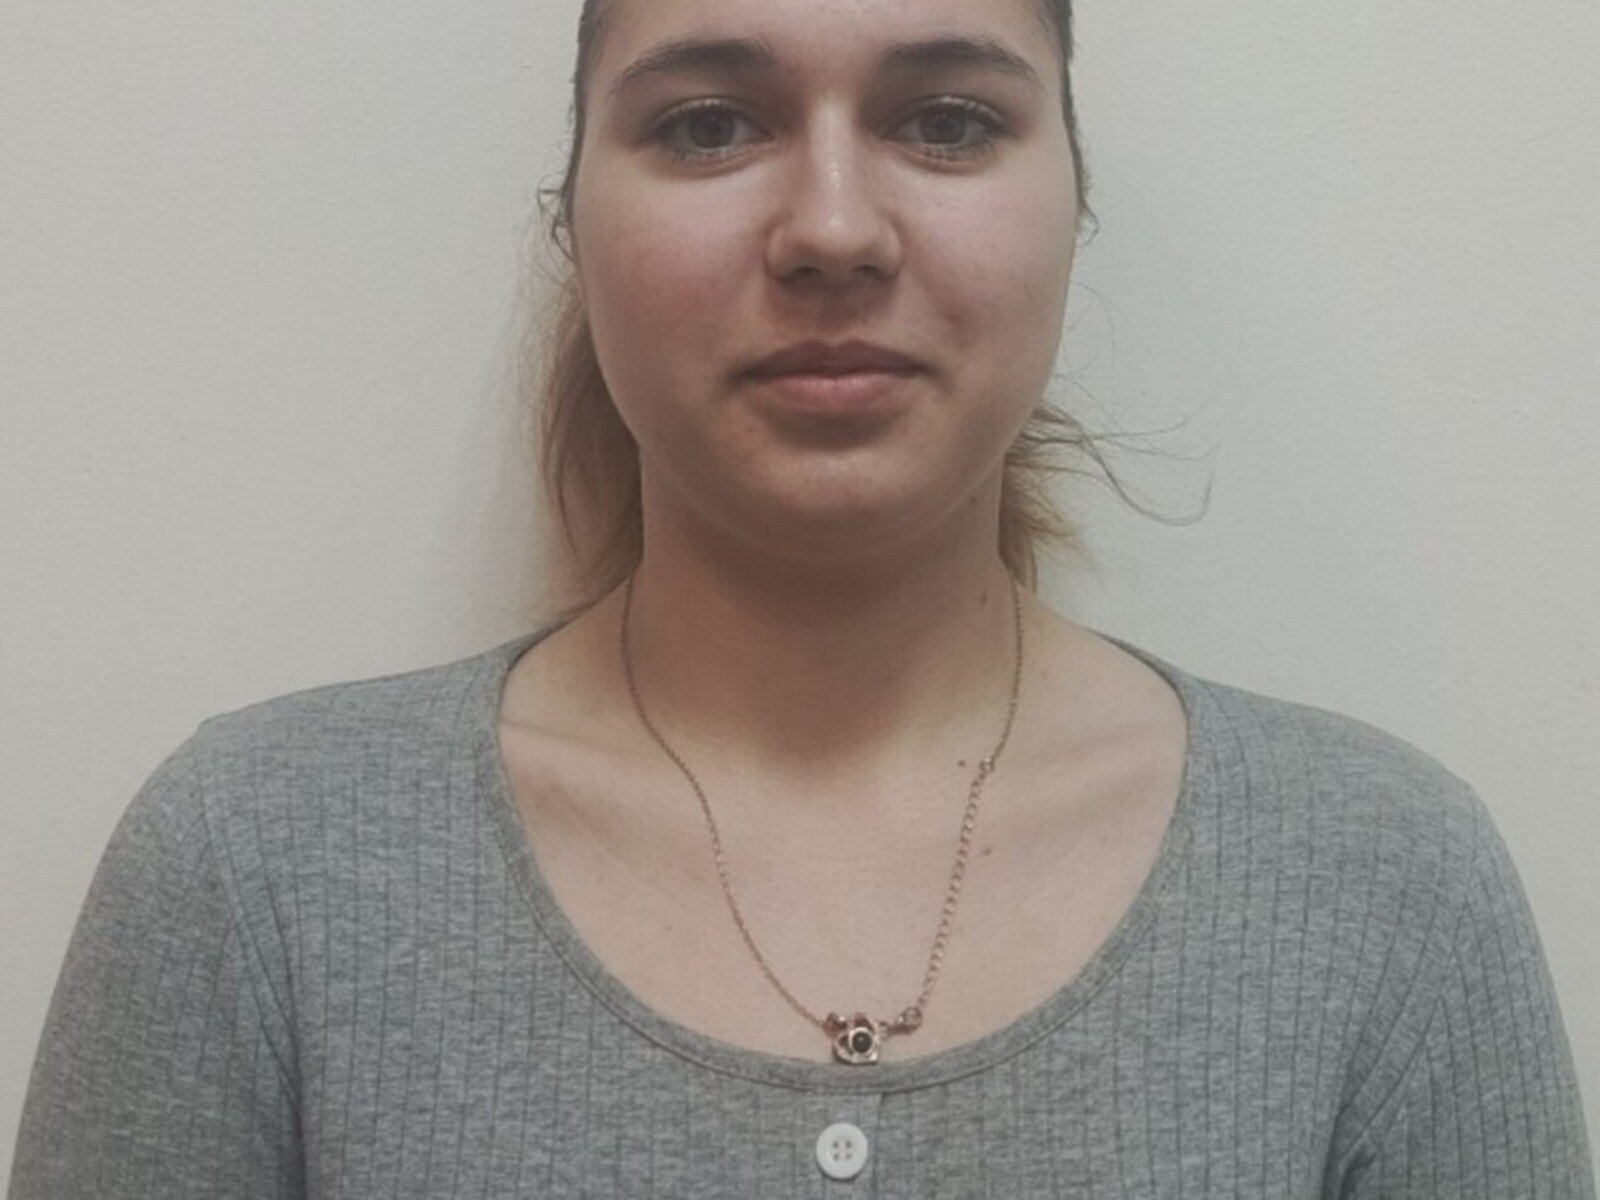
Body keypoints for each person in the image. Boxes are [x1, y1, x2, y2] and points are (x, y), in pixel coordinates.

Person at [9, 0, 1594, 1195]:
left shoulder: (1383, 888)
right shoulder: (256, 869)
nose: (833, 229)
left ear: (1071, 205)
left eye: (951, 120)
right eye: (707, 124)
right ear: (575, 220)